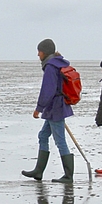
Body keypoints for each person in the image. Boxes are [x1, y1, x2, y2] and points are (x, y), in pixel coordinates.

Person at [22, 39, 74, 183]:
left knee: (60, 141)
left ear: (44, 52)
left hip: (55, 107)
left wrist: (39, 108)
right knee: (43, 136)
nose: (38, 55)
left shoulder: (51, 67)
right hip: (56, 106)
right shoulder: (57, 63)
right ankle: (39, 171)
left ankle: (68, 176)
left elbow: (48, 90)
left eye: (39, 51)